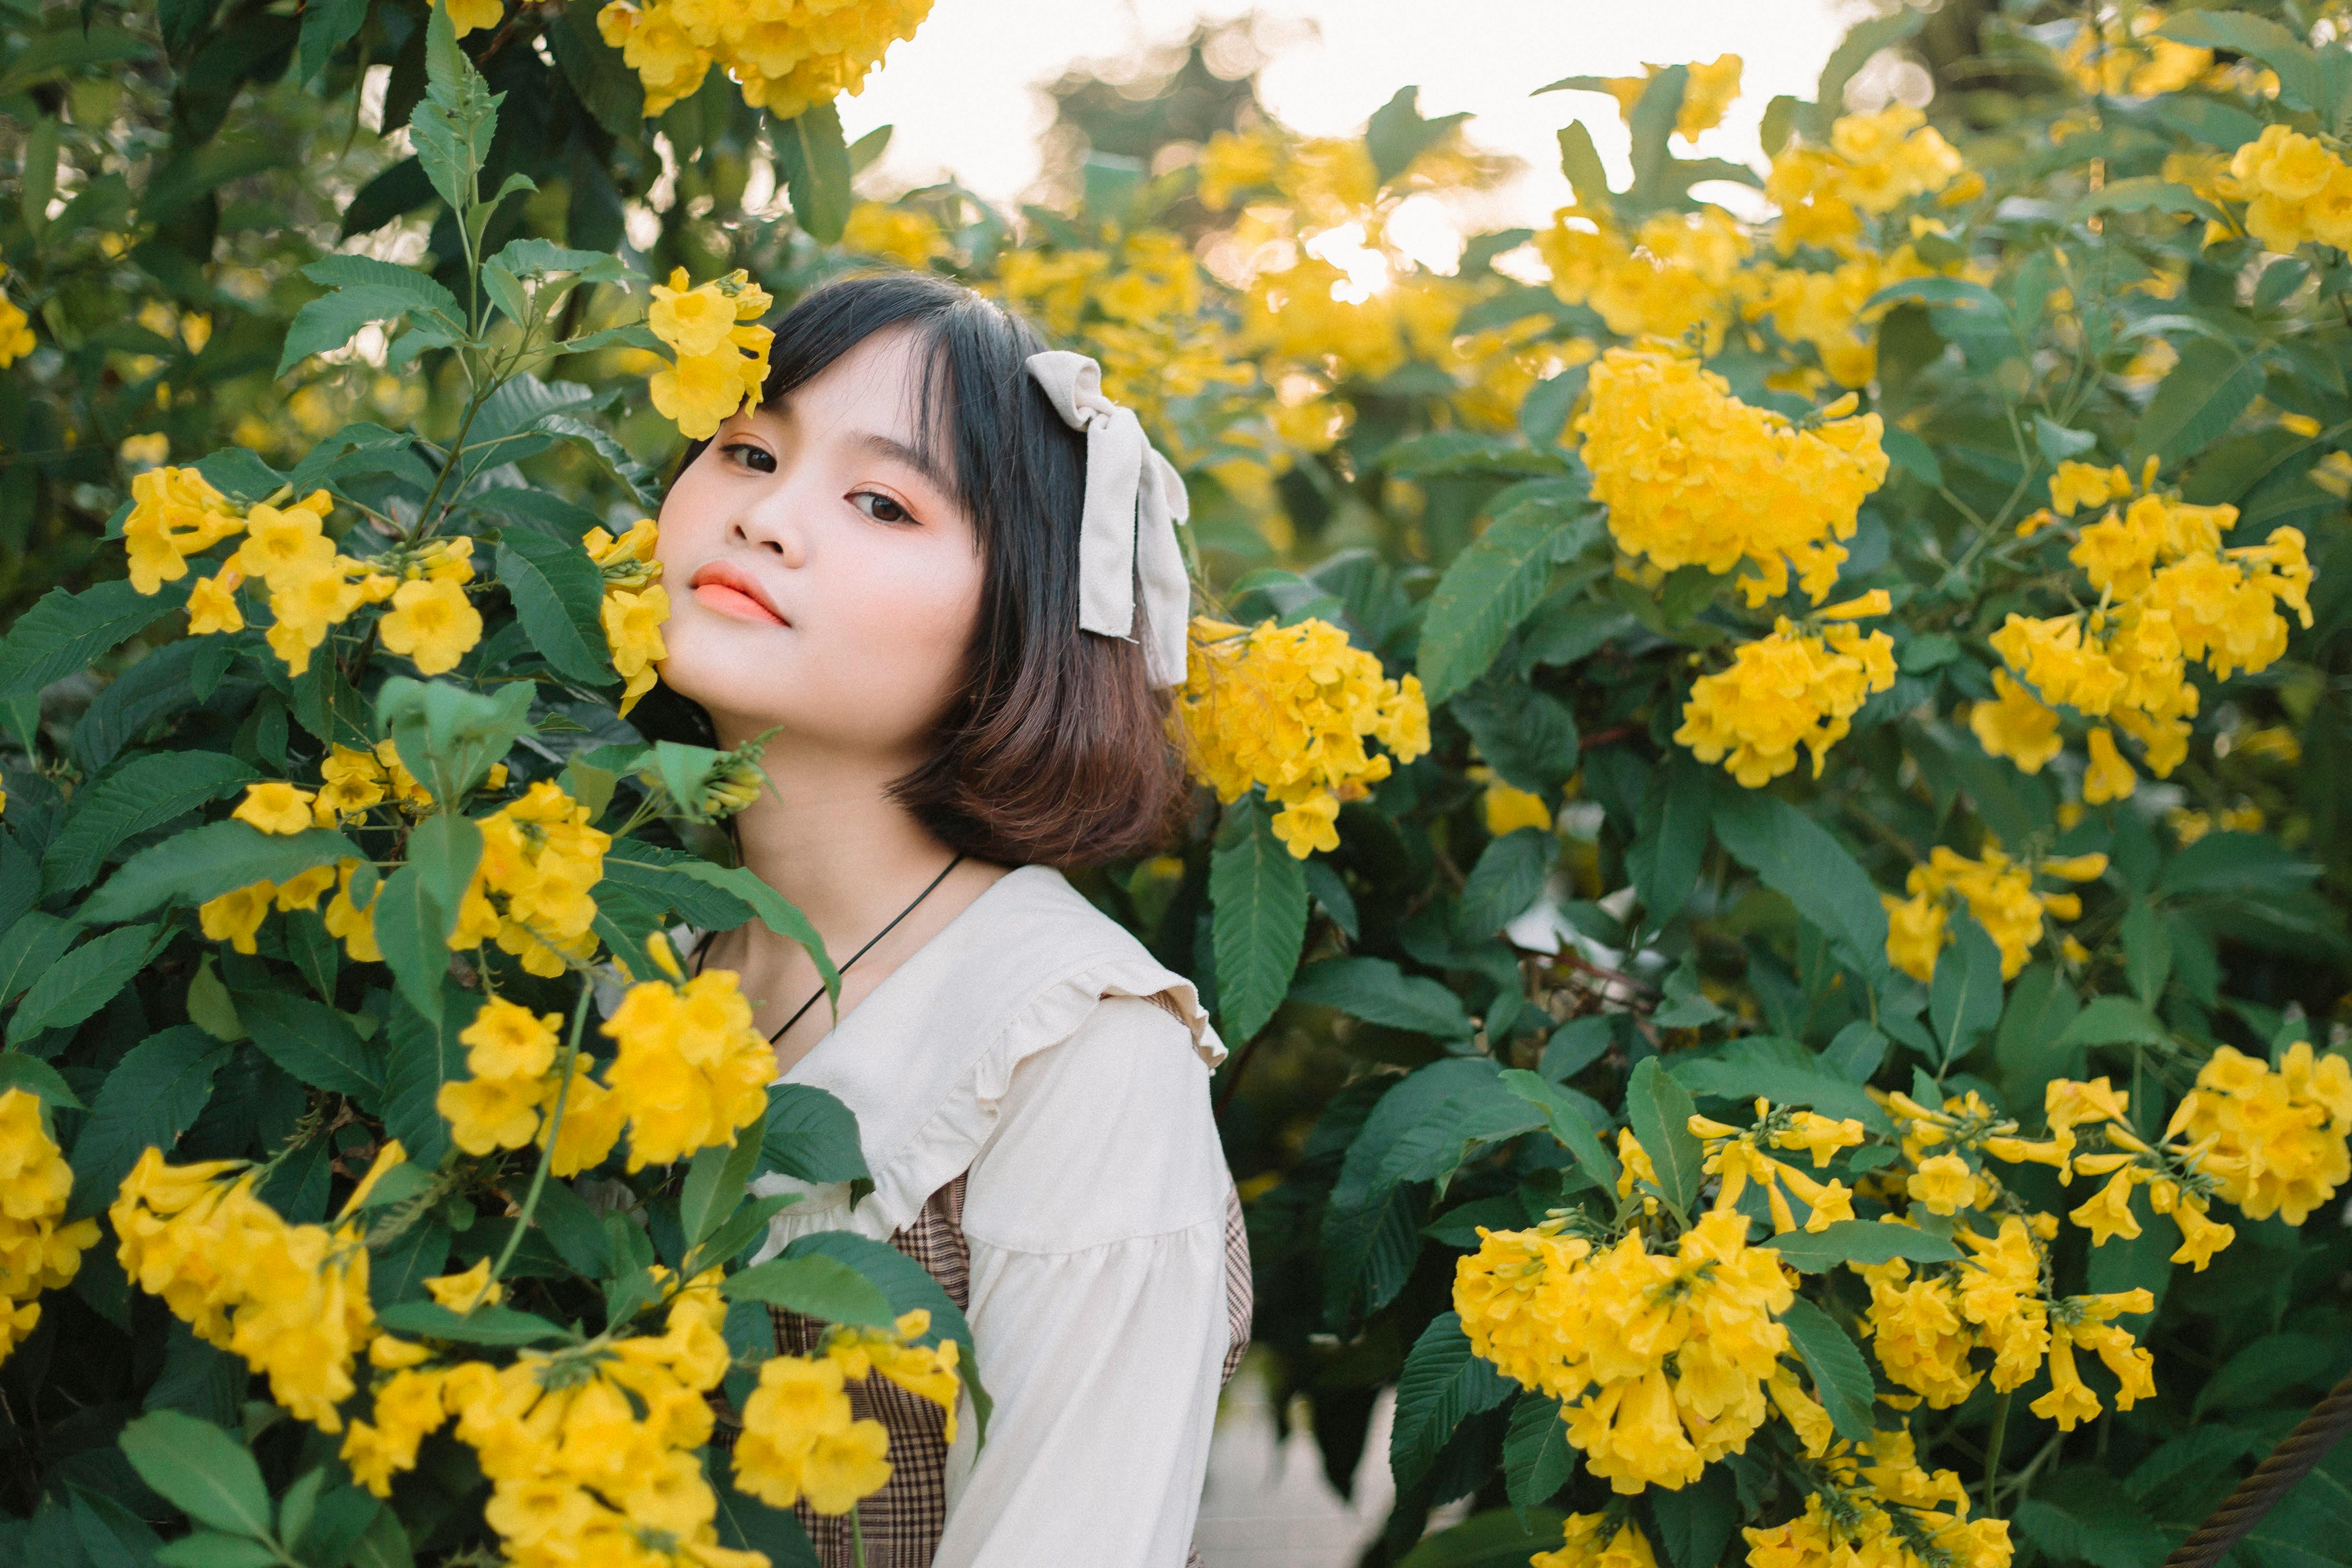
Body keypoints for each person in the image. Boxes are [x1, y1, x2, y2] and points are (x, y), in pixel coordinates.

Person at [646, 268, 1250, 1567]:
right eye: (748, 447)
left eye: (880, 500)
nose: (764, 516)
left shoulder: (1073, 1053)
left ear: (1015, 621)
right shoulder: (606, 953)